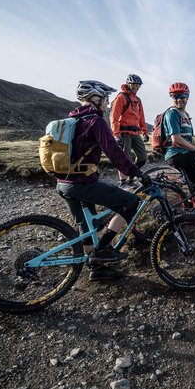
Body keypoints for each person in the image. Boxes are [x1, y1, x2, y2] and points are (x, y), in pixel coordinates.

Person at [56, 80, 151, 282]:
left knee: (88, 226)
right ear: (95, 99)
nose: (107, 104)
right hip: (82, 183)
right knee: (131, 202)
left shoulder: (74, 120)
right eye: (106, 100)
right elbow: (113, 151)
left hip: (64, 183)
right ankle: (104, 249)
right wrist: (135, 172)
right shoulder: (95, 121)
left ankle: (97, 269)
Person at [110, 73, 149, 187]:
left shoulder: (138, 100)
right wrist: (116, 134)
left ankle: (131, 178)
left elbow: (141, 117)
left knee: (142, 157)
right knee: (125, 158)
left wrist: (145, 132)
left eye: (138, 86)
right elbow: (114, 117)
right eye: (134, 85)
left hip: (135, 132)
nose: (136, 88)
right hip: (123, 132)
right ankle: (123, 182)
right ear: (128, 84)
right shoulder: (121, 97)